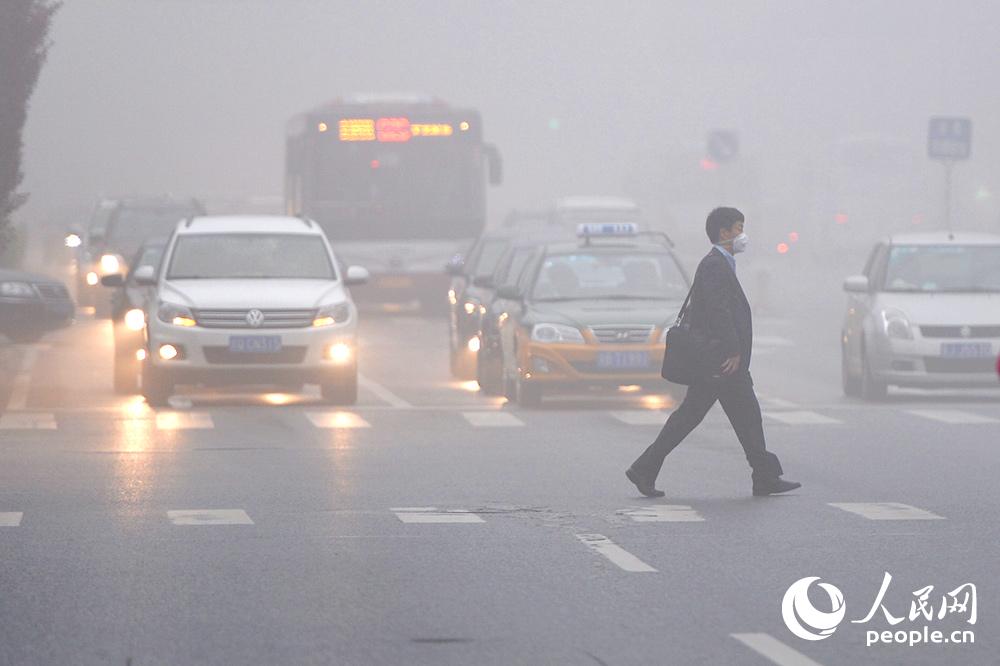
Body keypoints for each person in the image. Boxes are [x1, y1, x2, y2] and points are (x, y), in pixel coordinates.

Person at [626, 207, 801, 497]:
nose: (743, 235)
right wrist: (733, 351)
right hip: (720, 360)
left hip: (719, 358)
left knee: (740, 416)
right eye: (738, 228)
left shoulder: (720, 263)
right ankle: (645, 468)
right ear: (724, 233)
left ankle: (763, 475)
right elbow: (719, 312)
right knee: (704, 417)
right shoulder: (714, 265)